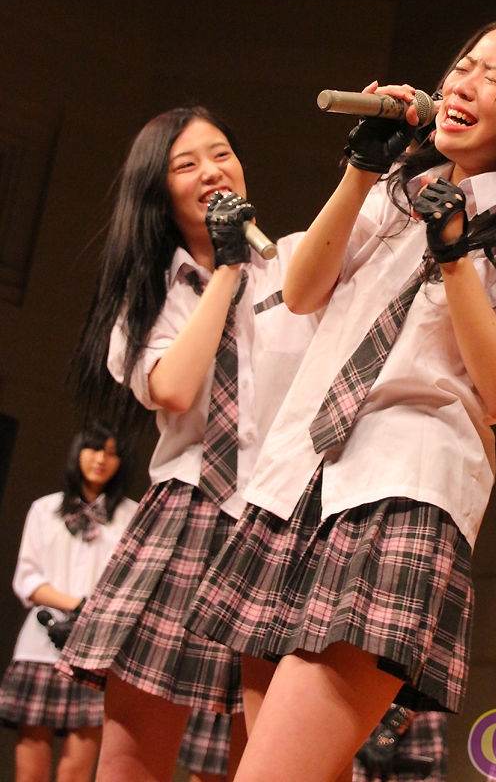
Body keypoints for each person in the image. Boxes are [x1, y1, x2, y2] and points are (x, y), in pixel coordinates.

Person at [185, 18, 496, 782]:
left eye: (493, 78)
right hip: (295, 482)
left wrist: (454, 255)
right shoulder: (398, 188)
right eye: (462, 66)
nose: (462, 84)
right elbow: (302, 292)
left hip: (401, 490)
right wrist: (360, 169)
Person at [56, 107, 320, 782]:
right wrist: (225, 271)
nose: (211, 171)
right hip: (190, 512)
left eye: (222, 154)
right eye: (187, 164)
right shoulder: (148, 295)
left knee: (263, 758)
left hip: (281, 522)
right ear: (159, 191)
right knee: (131, 758)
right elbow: (173, 388)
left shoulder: (295, 264)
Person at [0, 423, 137, 782]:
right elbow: (27, 580)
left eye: (112, 453)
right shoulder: (44, 509)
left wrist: (91, 614)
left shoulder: (132, 516)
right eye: (94, 448)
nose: (101, 459)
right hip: (40, 646)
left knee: (76, 770)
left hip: (96, 651)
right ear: (78, 452)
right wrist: (77, 605)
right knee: (30, 770)